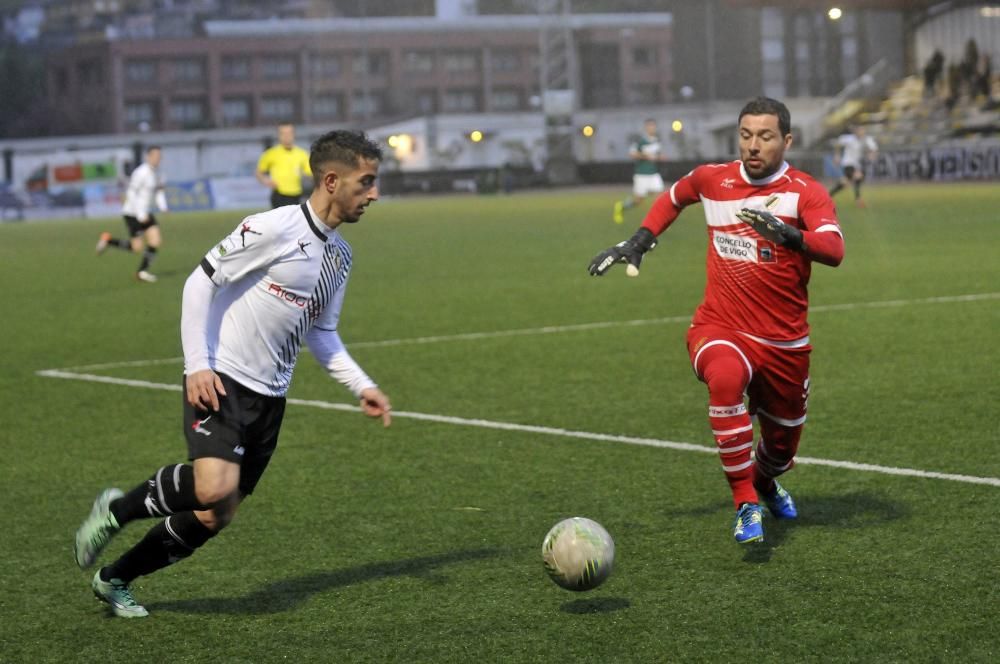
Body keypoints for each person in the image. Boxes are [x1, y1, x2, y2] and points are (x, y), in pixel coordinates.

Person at [74, 130, 393, 618]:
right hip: (222, 375)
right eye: (366, 182)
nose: (374, 193)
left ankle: (115, 578)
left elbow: (323, 333)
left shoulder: (340, 257)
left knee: (216, 513)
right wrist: (197, 364)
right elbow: (200, 280)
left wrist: (362, 385)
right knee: (213, 485)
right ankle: (115, 511)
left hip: (271, 400)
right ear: (331, 180)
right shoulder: (273, 228)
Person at [588, 97, 844, 545]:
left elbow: (833, 250)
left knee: (781, 452)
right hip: (720, 327)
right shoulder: (714, 178)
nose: (753, 145)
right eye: (746, 135)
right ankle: (746, 504)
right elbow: (674, 197)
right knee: (724, 378)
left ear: (787, 140)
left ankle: (766, 482)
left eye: (765, 136)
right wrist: (641, 239)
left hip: (784, 344)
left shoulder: (806, 192)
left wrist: (787, 234)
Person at [95, 145, 168, 282]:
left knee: (156, 240)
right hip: (132, 213)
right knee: (136, 247)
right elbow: (131, 193)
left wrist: (163, 206)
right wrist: (140, 214)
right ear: (148, 157)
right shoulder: (141, 172)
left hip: (145, 213)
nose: (157, 159)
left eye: (159, 156)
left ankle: (141, 272)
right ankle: (108, 240)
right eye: (155, 156)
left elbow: (159, 191)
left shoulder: (159, 173)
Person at [613, 118, 666, 224]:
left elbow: (658, 155)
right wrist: (645, 156)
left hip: (653, 173)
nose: (651, 128)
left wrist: (660, 157)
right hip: (642, 174)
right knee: (638, 200)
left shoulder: (656, 141)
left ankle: (659, 221)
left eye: (653, 126)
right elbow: (632, 153)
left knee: (661, 197)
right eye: (649, 126)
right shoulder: (640, 141)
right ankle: (621, 207)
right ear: (646, 127)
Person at [256, 123, 313, 209]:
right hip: (279, 194)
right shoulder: (271, 153)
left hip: (296, 195)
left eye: (289, 133)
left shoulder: (302, 154)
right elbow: (259, 172)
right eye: (283, 133)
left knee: (294, 222)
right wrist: (265, 180)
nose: (287, 136)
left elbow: (310, 173)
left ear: (294, 134)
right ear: (279, 135)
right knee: (279, 222)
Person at [828, 124, 878, 208]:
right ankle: (858, 200)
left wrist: (872, 154)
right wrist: (837, 155)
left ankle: (828, 196)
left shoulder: (866, 139)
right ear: (856, 131)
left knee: (845, 182)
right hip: (847, 163)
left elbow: (874, 149)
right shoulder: (849, 139)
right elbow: (838, 144)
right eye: (860, 130)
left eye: (863, 130)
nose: (861, 132)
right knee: (858, 176)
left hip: (856, 164)